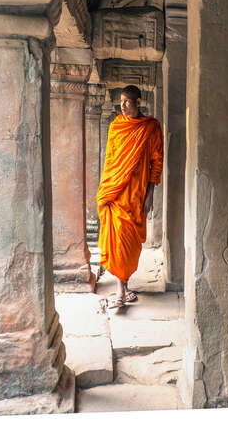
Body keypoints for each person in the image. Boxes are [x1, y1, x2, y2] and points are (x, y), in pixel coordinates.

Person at [96, 85, 163, 308]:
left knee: (130, 244)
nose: (123, 106)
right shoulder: (116, 127)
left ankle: (124, 287)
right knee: (116, 241)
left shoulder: (151, 127)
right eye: (121, 101)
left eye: (127, 101)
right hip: (115, 194)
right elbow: (110, 161)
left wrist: (150, 193)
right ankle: (120, 289)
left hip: (136, 195)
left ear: (138, 102)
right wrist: (105, 189)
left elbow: (157, 162)